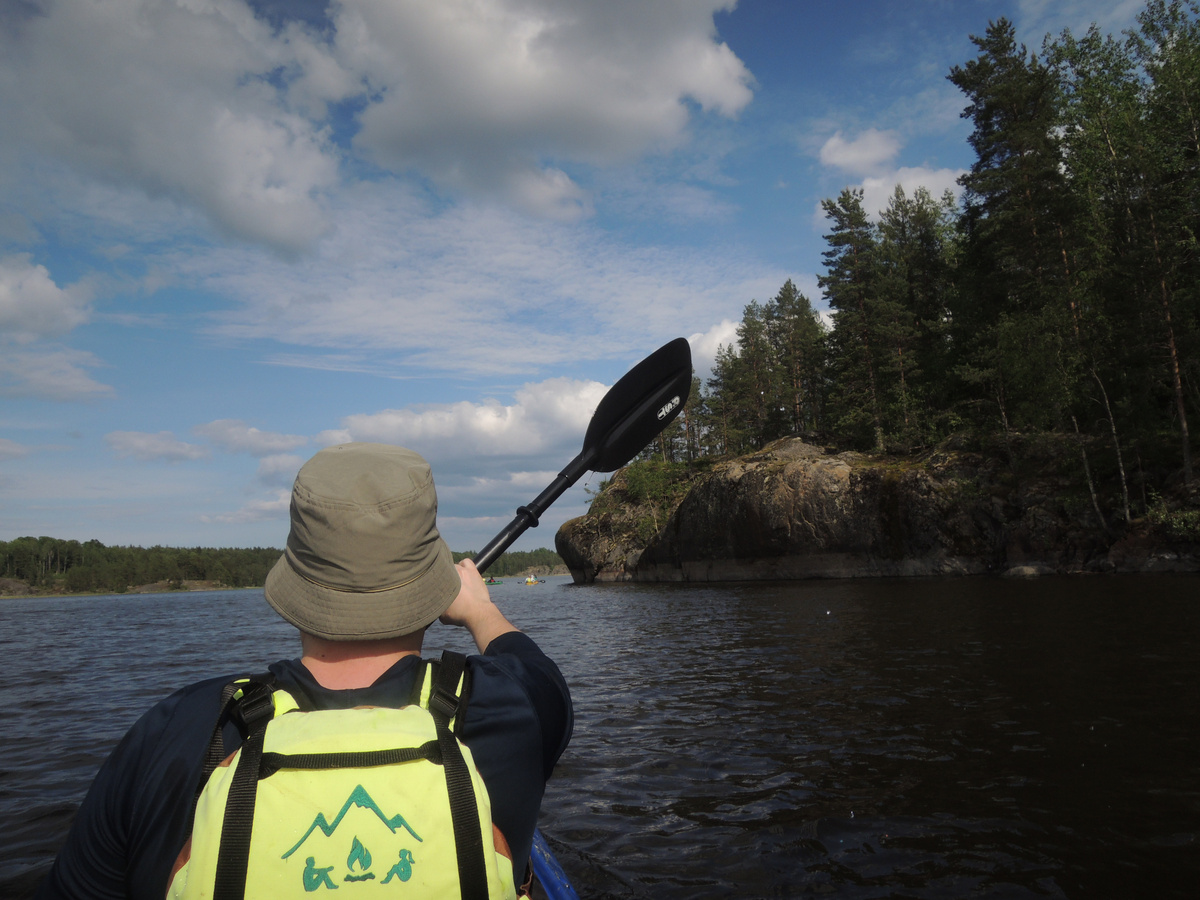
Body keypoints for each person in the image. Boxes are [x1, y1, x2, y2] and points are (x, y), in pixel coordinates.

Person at [36, 442, 573, 900]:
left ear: (296, 578)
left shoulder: (176, 729)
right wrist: (479, 609)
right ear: (435, 587)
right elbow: (534, 666)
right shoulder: (514, 708)